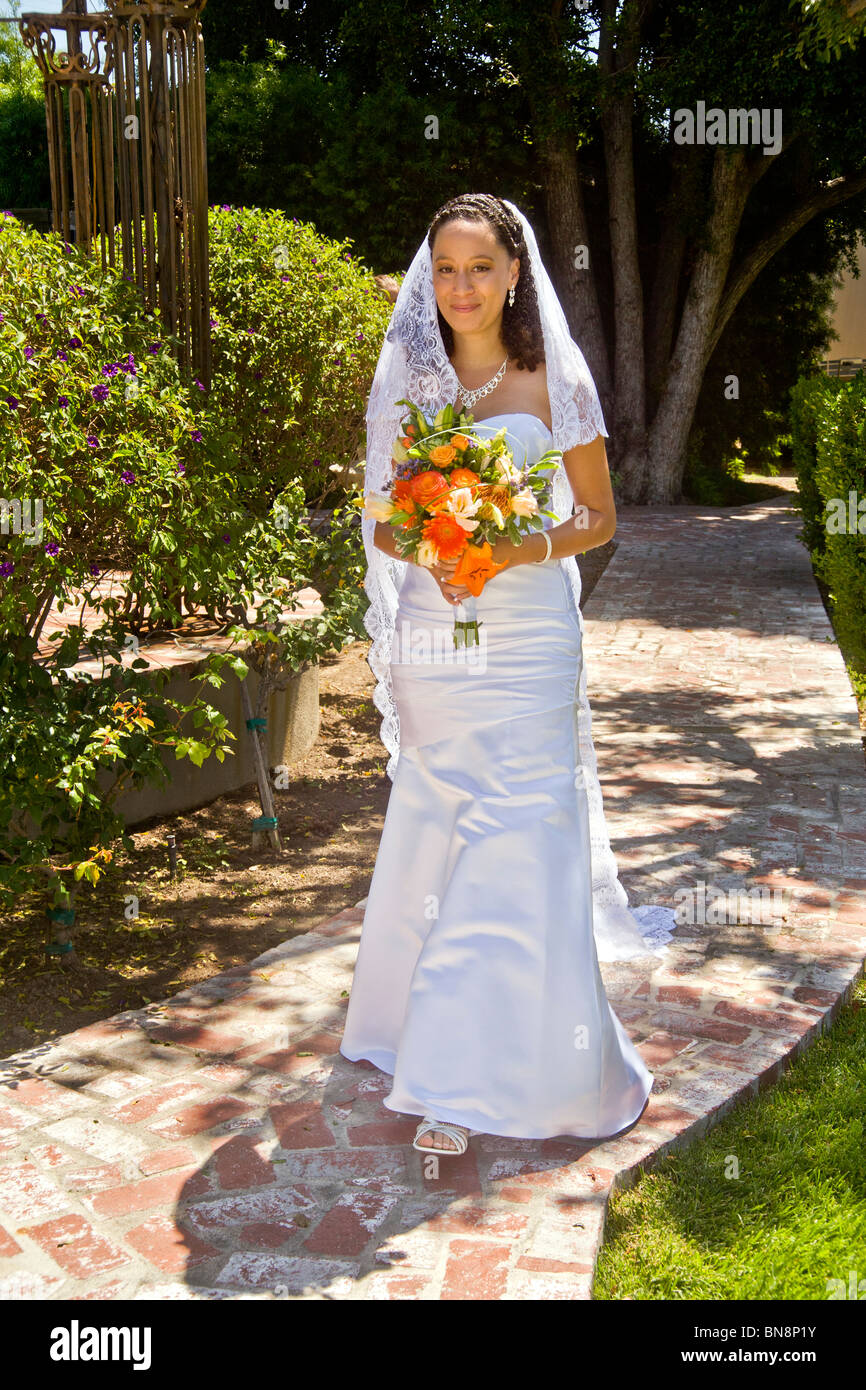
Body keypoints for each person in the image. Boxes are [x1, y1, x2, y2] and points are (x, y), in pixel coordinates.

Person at [339, 194, 675, 1156]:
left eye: (479, 268)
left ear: (516, 273)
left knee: (521, 827)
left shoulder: (550, 374)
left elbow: (599, 517)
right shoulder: (410, 371)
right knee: (443, 813)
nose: (461, 288)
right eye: (445, 269)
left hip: (528, 638)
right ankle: (416, 1031)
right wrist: (440, 543)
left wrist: (510, 545)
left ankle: (474, 1074)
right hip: (434, 639)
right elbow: (381, 519)